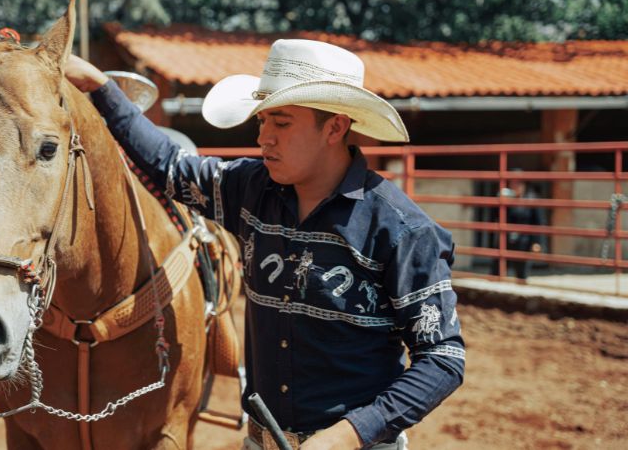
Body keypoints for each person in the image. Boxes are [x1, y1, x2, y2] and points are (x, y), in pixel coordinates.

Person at [66, 39, 465, 450]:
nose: (264, 137)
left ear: (335, 127)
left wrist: (349, 434)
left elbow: (443, 359)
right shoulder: (251, 189)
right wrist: (100, 87)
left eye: (281, 122)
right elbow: (169, 166)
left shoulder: (401, 230)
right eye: (262, 121)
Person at [492, 176, 548, 280]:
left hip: (524, 242)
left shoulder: (532, 200)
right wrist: (501, 203)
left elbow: (539, 223)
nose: (515, 187)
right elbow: (496, 217)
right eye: (512, 184)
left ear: (524, 185)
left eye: (517, 184)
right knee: (497, 270)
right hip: (506, 241)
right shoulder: (507, 200)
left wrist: (537, 243)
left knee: (521, 272)